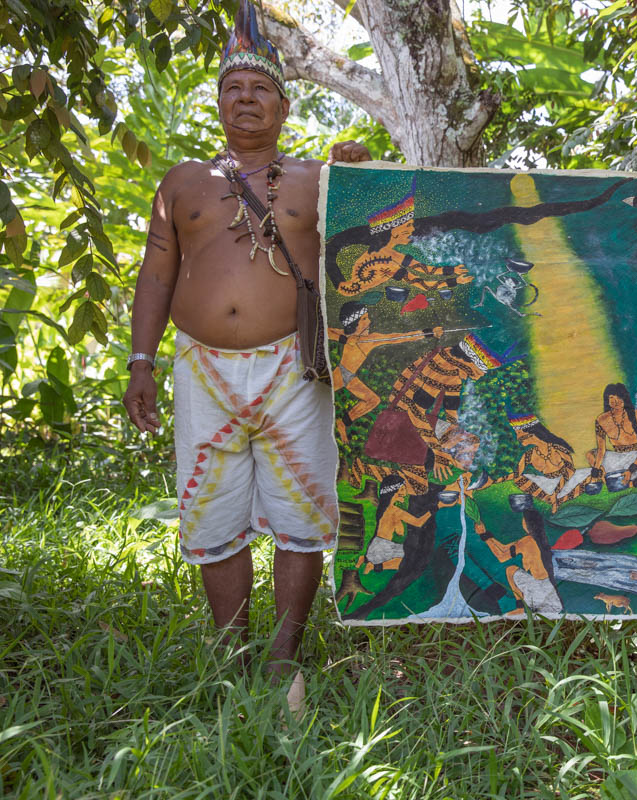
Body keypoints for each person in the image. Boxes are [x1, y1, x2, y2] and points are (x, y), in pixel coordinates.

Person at [121, 0, 371, 703]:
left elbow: (377, 246)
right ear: (218, 102)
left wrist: (358, 171)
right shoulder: (183, 183)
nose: (246, 98)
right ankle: (230, 654)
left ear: (285, 106)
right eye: (233, 87)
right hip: (201, 368)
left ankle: (284, 656)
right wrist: (141, 364)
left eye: (261, 87)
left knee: (301, 517)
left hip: (296, 369)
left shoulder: (317, 180)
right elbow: (156, 276)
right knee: (213, 512)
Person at [326, 301, 443, 442]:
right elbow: (325, 331)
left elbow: (397, 337)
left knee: (373, 400)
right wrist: (342, 339)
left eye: (368, 317)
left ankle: (343, 422)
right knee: (324, 395)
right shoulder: (346, 335)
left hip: (351, 378)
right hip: (340, 374)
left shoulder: (371, 339)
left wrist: (429, 333)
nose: (369, 322)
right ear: (353, 324)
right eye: (364, 319)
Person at [507, 412, 591, 512]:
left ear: (531, 433)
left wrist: (556, 491)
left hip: (565, 481)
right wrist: (494, 481)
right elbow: (517, 474)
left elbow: (570, 470)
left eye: (519, 433)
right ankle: (553, 500)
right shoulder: (529, 454)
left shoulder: (557, 448)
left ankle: (557, 500)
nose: (518, 438)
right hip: (547, 483)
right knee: (519, 479)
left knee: (590, 475)